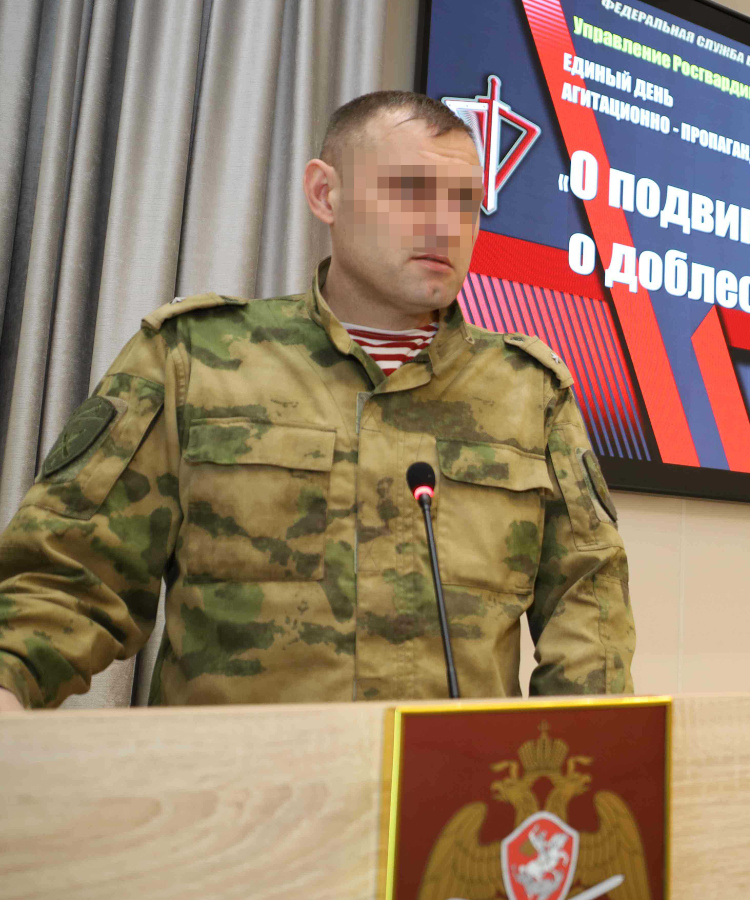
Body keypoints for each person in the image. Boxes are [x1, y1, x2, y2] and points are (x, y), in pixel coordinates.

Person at [0, 91, 634, 711]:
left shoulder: (529, 392)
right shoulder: (193, 360)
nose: (445, 225)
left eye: (465, 201)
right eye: (411, 190)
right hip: (238, 775)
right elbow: (67, 574)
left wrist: (584, 754)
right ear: (326, 194)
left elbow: (588, 607)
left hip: (447, 777)